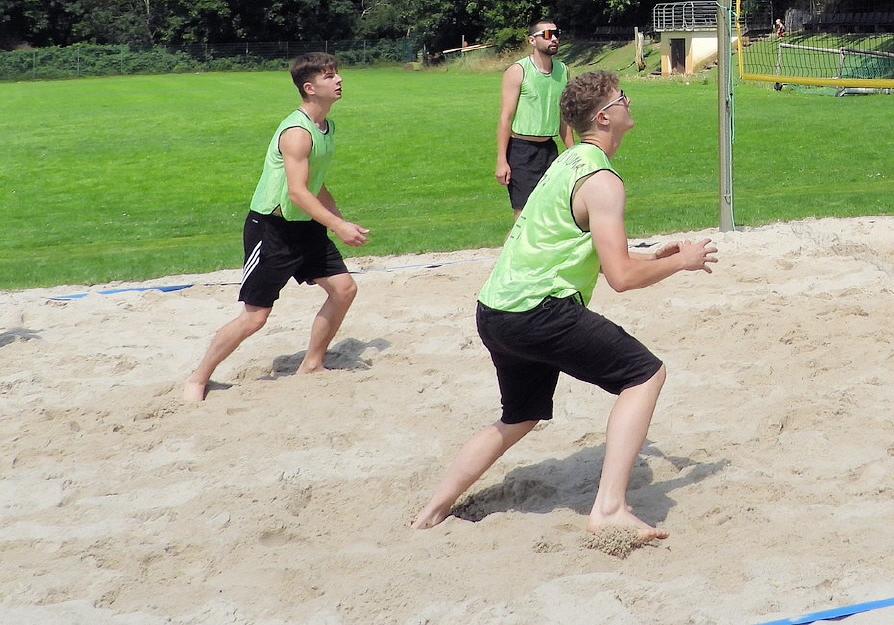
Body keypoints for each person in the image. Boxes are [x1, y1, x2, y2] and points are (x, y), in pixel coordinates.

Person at [413, 70, 719, 538]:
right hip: (539, 311)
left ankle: (433, 510)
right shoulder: (602, 180)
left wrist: (653, 257)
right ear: (604, 117)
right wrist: (683, 262)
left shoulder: (568, 161)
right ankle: (609, 509)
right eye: (622, 97)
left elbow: (588, 251)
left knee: (519, 416)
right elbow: (621, 278)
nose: (629, 102)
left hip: (495, 310)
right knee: (645, 375)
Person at [183, 52, 368, 402]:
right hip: (272, 229)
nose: (339, 80)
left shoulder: (326, 127)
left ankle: (312, 364)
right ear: (310, 88)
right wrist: (337, 226)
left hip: (306, 227)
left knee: (343, 289)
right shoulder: (297, 132)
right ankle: (198, 377)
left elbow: (315, 184)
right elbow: (297, 192)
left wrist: (340, 221)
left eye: (337, 74)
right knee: (255, 317)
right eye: (330, 76)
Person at [496, 19, 571, 215]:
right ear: (532, 40)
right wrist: (502, 161)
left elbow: (564, 118)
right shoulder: (517, 71)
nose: (554, 39)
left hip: (549, 150)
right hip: (521, 151)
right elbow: (505, 118)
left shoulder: (563, 71)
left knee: (550, 213)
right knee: (524, 216)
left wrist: (573, 153)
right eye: (547, 35)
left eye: (556, 34)